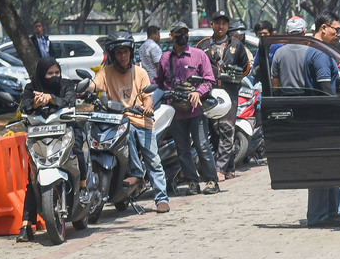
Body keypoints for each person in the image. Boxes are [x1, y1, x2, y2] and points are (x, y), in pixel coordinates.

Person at [271, 12, 340, 227]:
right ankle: (318, 215)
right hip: (323, 115)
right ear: (322, 28)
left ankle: (333, 211)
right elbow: (325, 88)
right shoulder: (318, 53)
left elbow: (275, 86)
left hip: (304, 112)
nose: (339, 34)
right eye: (336, 29)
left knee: (330, 164)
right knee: (321, 165)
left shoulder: (281, 53)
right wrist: (335, 113)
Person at [92, 31, 169, 213]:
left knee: (154, 161)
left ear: (131, 51)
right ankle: (129, 176)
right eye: (119, 52)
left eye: (126, 51)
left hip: (142, 121)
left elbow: (148, 97)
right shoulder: (106, 73)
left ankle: (161, 198)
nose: (123, 56)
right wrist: (83, 89)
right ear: (112, 54)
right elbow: (94, 86)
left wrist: (148, 107)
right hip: (118, 122)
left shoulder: (140, 72)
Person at [17, 57, 81, 241]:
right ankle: (26, 225)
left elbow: (70, 101)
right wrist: (35, 104)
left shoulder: (66, 84)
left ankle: (83, 186)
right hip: (39, 136)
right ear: (41, 74)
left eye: (56, 73)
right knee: (34, 177)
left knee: (79, 148)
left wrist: (52, 98)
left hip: (65, 130)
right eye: (49, 73)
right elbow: (25, 107)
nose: (54, 77)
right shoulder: (31, 88)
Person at [154, 22, 218, 196]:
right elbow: (158, 82)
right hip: (174, 111)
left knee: (202, 146)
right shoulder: (165, 58)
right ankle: (192, 182)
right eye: (179, 33)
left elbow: (210, 80)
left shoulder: (198, 55)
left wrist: (198, 92)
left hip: (196, 110)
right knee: (182, 149)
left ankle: (212, 180)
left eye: (185, 32)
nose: (182, 35)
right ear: (171, 36)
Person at [196, 10, 251, 179]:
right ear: (211, 25)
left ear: (228, 26)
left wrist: (235, 76)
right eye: (217, 23)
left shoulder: (236, 44)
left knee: (227, 129)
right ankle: (229, 168)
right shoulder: (203, 45)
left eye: (224, 23)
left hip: (230, 93)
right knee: (214, 130)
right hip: (210, 93)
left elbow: (246, 67)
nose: (221, 26)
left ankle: (219, 169)